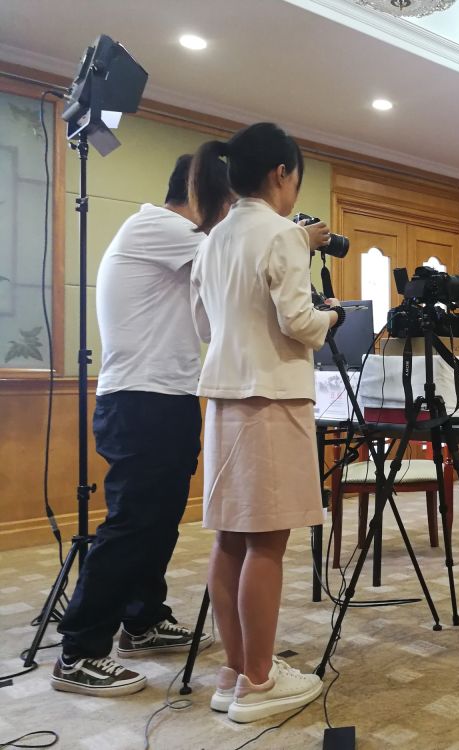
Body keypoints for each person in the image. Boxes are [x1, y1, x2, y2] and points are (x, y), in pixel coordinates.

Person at [52, 155, 225, 697]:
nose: (229, 216)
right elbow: (235, 258)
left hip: (168, 397)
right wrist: (295, 238)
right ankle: (79, 652)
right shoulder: (159, 227)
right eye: (229, 204)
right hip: (139, 400)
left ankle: (143, 619)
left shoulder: (183, 248)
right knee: (132, 525)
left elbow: (208, 320)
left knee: (159, 521)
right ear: (202, 195)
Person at [188, 122, 341, 724]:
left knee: (229, 538)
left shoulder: (213, 239)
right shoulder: (283, 234)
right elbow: (299, 323)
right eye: (295, 177)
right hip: (271, 399)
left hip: (223, 399)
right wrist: (332, 318)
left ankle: (234, 671)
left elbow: (203, 326)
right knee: (267, 545)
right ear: (281, 173)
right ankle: (258, 681)